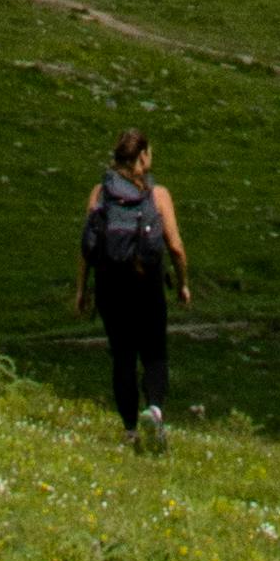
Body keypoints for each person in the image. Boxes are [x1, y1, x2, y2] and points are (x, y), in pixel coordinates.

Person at [75, 125, 189, 450]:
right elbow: (177, 247)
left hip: (110, 286)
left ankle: (129, 430)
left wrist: (82, 290)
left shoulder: (99, 194)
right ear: (142, 157)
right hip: (147, 285)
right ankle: (153, 409)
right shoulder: (158, 195)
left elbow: (87, 247)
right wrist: (183, 285)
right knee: (154, 352)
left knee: (122, 355)